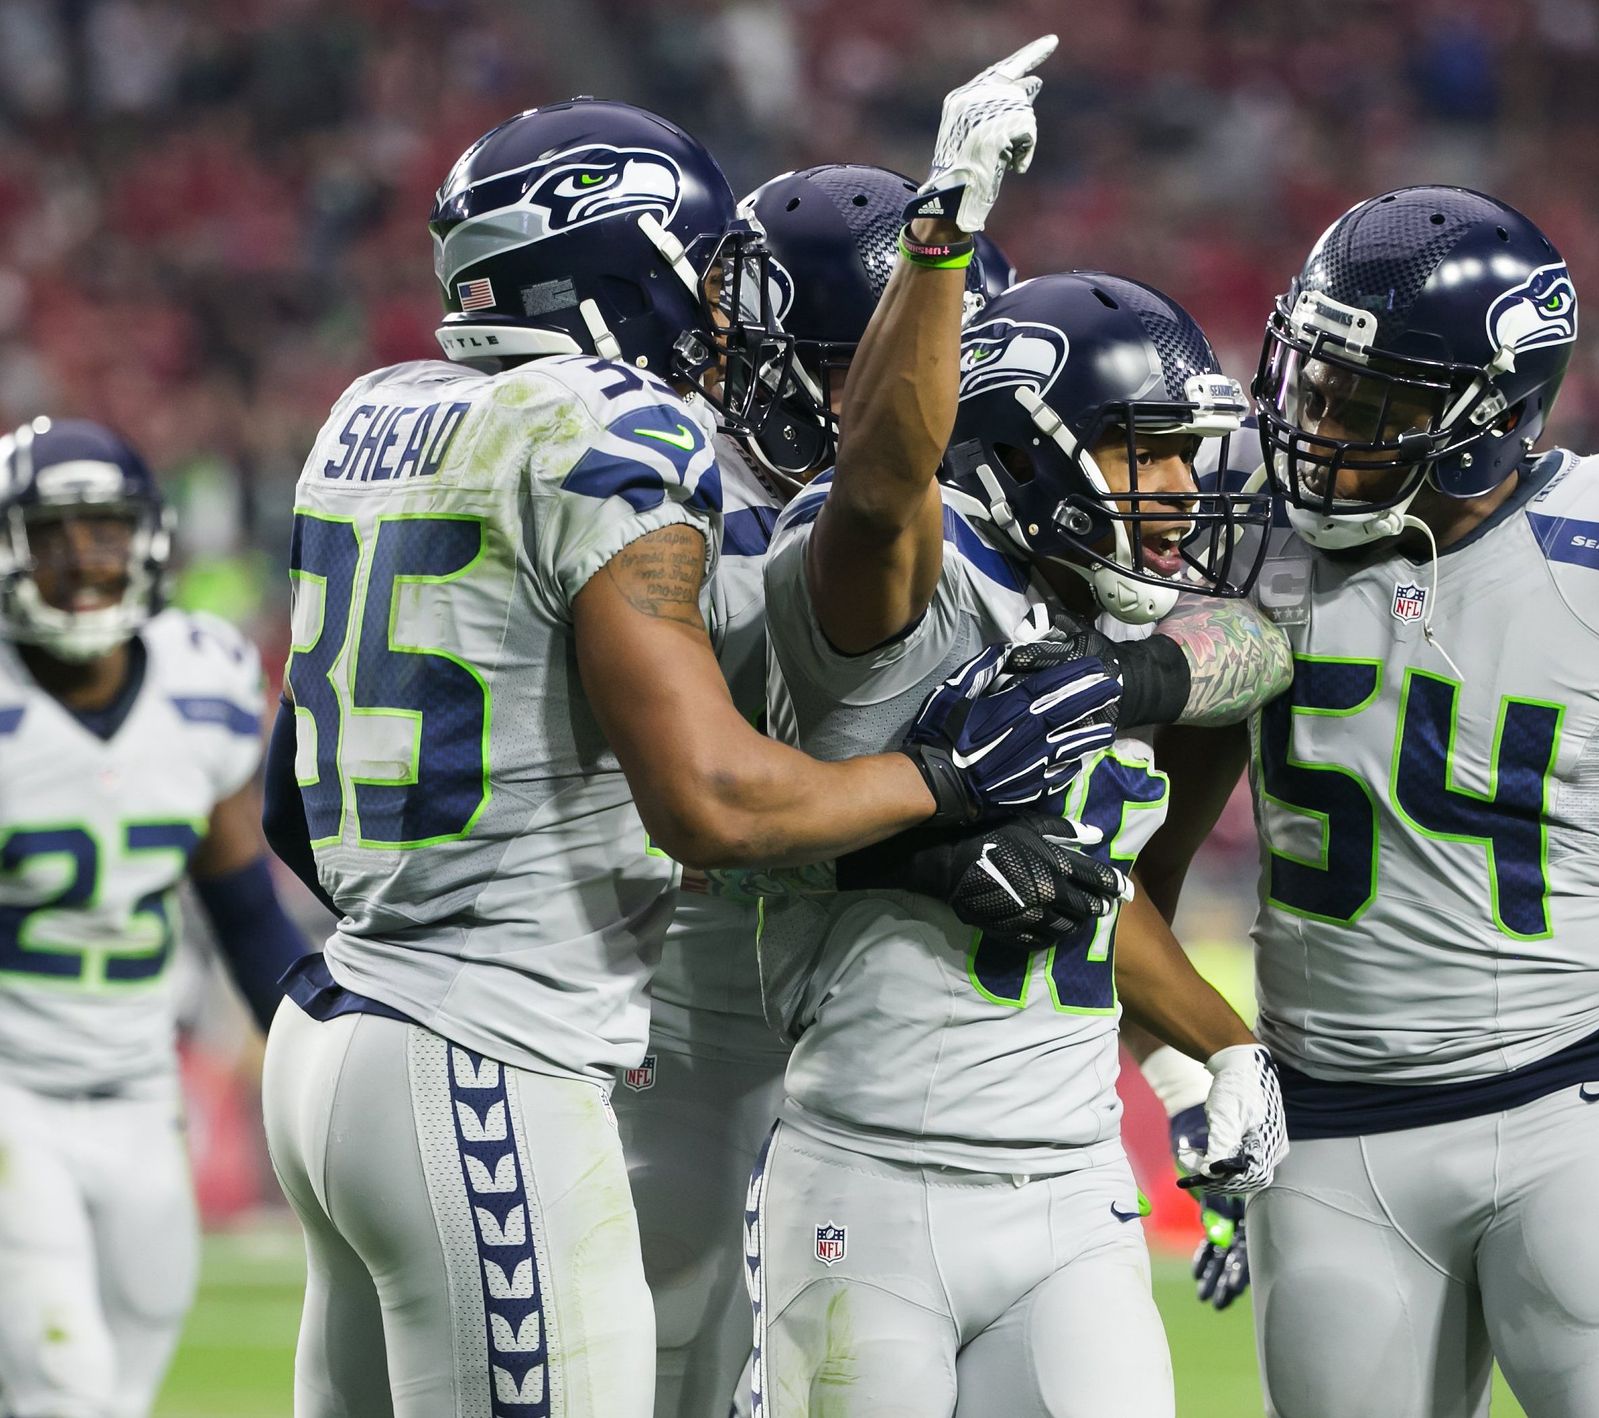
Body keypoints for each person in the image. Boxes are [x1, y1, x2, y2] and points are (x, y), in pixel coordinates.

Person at [257, 97, 1125, 1418]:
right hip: (488, 1052)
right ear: (618, 266)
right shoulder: (610, 426)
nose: (724, 309)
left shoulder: (374, 411)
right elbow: (713, 797)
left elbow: (289, 807)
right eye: (703, 265)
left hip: (331, 1035)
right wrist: (943, 784)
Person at [1135, 185, 1599, 1417]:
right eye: (1311, 380)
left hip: (1577, 1112)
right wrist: (1206, 1067)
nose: (1313, 422)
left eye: (1364, 403)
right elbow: (1125, 877)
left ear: (1490, 419)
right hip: (1329, 1137)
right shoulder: (1239, 531)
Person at [745, 38, 1295, 1418]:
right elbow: (877, 489)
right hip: (868, 1181)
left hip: (1071, 1187)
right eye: (1146, 450)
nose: (1180, 486)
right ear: (1027, 446)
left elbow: (1248, 653)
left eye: (1186, 450)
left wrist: (1217, 1046)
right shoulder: (906, 578)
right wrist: (944, 228)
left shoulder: (1109, 612)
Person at [613, 160, 994, 1418]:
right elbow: (693, 796)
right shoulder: (656, 481)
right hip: (678, 1006)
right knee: (662, 1368)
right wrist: (928, 806)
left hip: (890, 1031)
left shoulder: (981, 522)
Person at [0, 416, 307, 1418]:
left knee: (120, 1387)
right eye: (56, 531)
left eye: (105, 528)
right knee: (63, 1386)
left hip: (140, 1091)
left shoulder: (201, 679)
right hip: (10, 1092)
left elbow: (246, 914)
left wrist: (318, 1059)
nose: (85, 557)